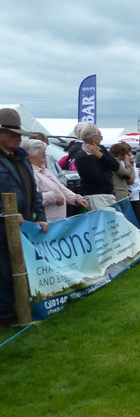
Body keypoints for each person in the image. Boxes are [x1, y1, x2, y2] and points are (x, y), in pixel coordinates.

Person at [0, 108, 49, 324]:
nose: (16, 138)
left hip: (24, 227)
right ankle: (7, 314)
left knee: (20, 269)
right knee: (3, 273)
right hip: (3, 229)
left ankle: (21, 308)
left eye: (18, 134)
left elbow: (33, 191)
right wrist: (7, 213)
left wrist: (41, 217)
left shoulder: (21, 157)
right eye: (10, 133)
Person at [24, 138, 88, 221]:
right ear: (31, 155)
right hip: (44, 222)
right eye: (42, 152)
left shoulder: (45, 170)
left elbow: (60, 187)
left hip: (57, 222)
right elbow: (31, 199)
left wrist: (75, 198)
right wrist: (53, 197)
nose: (45, 155)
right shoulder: (30, 174)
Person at [74, 124, 121, 210]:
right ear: (94, 138)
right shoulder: (82, 156)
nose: (101, 139)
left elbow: (116, 166)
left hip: (109, 194)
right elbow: (99, 179)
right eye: (100, 137)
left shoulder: (101, 149)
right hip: (95, 197)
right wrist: (109, 170)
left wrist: (100, 155)